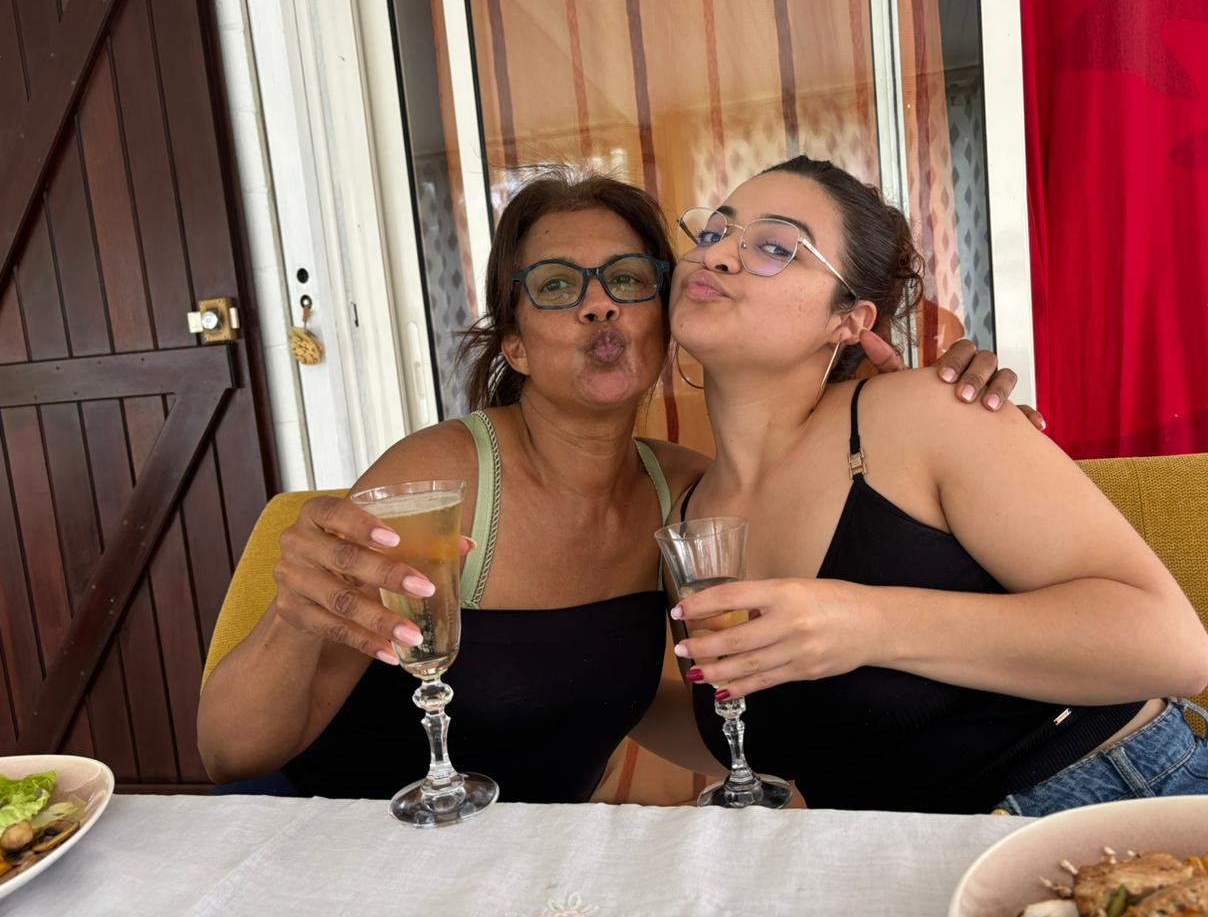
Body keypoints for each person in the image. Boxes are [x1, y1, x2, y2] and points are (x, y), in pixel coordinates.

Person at [197, 167, 1022, 802]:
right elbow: (232, 754)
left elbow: (649, 694)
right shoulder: (441, 480)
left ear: (664, 322)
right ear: (515, 345)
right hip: (340, 834)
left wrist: (944, 417)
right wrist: (294, 613)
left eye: (628, 279)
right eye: (557, 286)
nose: (599, 307)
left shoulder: (688, 494)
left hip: (534, 861)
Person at [667, 155, 1208, 815]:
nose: (717, 253)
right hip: (909, 856)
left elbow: (1175, 648)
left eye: (775, 247)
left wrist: (863, 622)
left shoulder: (923, 411)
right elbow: (746, 729)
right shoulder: (690, 522)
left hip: (1116, 800)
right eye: (714, 232)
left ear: (849, 321)